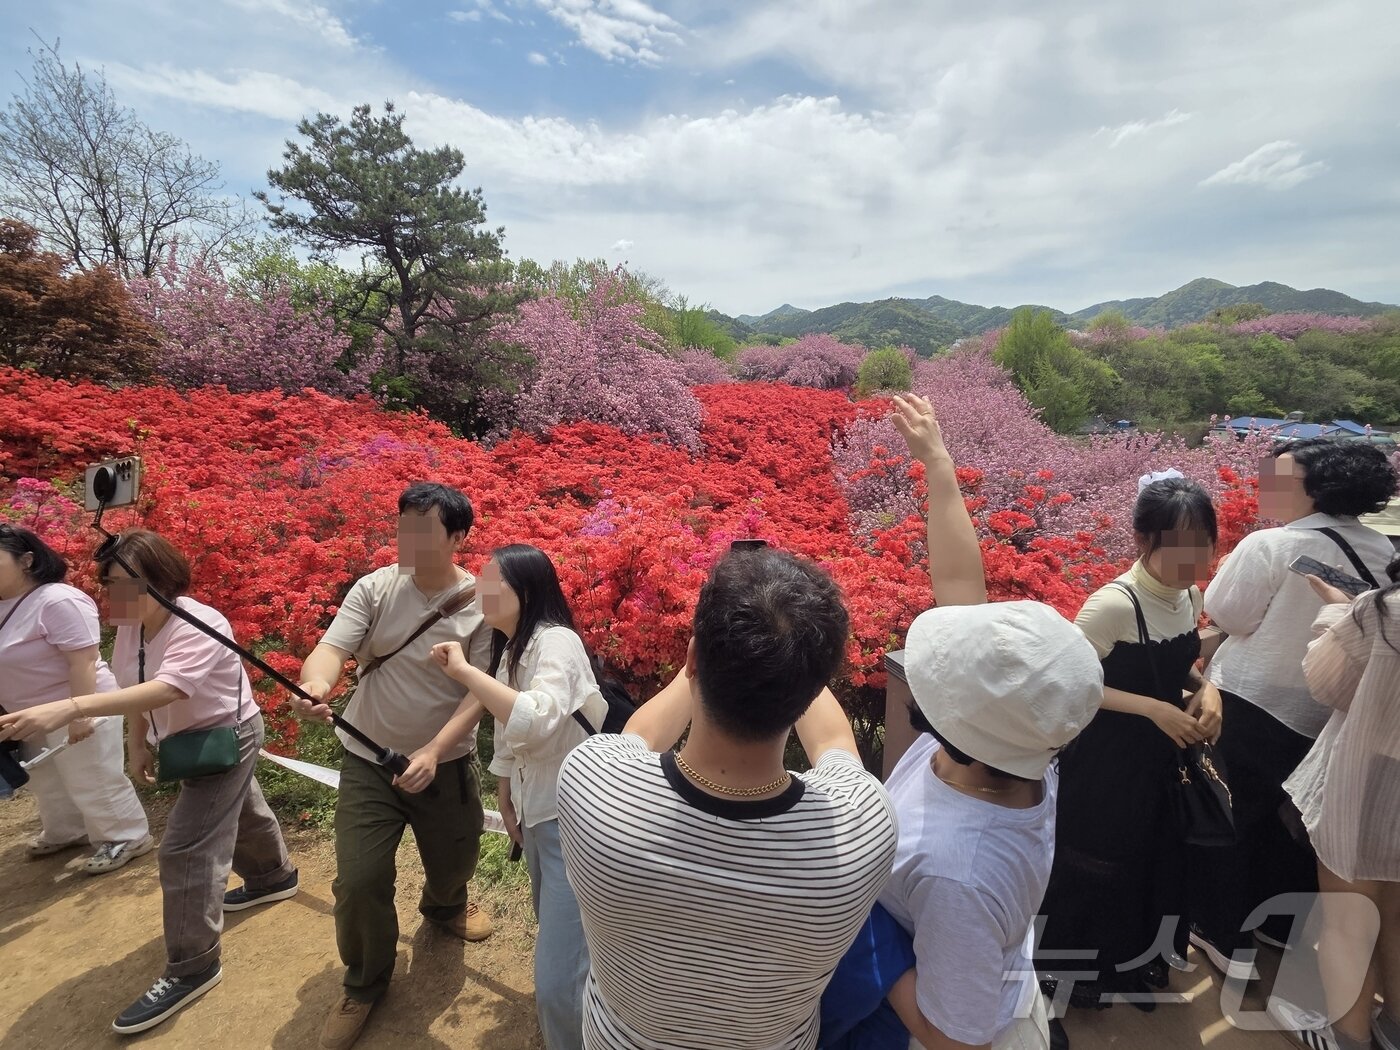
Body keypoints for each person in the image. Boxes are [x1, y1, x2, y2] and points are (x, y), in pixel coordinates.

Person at [820, 394, 1104, 1050]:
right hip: (984, 969)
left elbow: (956, 1037)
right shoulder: (1020, 746)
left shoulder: (960, 873)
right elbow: (960, 589)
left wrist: (874, 941)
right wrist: (937, 463)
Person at [555, 538, 898, 1048]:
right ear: (814, 685)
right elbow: (832, 741)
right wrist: (789, 650)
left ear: (692, 659)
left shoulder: (593, 782)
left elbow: (641, 736)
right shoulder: (862, 827)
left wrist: (715, 652)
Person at [0, 528, 296, 1035]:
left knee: (185, 848)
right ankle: (273, 877)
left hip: (226, 735)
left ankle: (192, 966)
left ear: (160, 578)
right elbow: (135, 684)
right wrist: (138, 742)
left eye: (123, 581)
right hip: (183, 736)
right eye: (108, 581)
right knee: (240, 806)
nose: (112, 592)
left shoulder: (200, 621)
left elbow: (167, 688)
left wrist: (69, 707)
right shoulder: (132, 621)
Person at [291, 482, 495, 1050]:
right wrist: (315, 683)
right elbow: (332, 648)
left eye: (422, 529)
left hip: (444, 763)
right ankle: (363, 983)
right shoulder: (376, 587)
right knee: (359, 881)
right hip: (368, 757)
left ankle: (446, 904)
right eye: (402, 525)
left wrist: (433, 752)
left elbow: (479, 692)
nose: (406, 538)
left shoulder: (482, 602)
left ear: (457, 537)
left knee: (456, 856)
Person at [1193, 439, 1397, 973]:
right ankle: (1280, 924)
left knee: (1232, 817)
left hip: (1253, 705)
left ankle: (1222, 934)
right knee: (1299, 822)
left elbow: (1226, 614)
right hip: (1332, 713)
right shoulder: (1382, 552)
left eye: (1280, 477)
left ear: (1316, 489)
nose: (1266, 485)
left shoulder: (1269, 546)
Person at [1037, 474, 1222, 1014]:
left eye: (1204, 544)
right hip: (1107, 760)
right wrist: (1153, 708)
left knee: (1151, 857)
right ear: (1144, 541)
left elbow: (1177, 666)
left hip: (1164, 758)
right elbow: (1072, 685)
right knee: (1096, 860)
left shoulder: (1190, 594)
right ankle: (1066, 974)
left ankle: (1128, 961)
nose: (1194, 558)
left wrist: (1208, 689)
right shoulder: (1112, 605)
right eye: (1179, 545)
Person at [431, 544, 605, 1050]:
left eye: (492, 581)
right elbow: (509, 733)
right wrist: (506, 792)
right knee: (564, 939)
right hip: (537, 815)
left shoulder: (557, 643)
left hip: (574, 824)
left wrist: (464, 671)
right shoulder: (513, 649)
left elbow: (534, 718)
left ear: (525, 591)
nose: (480, 589)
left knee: (559, 978)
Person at [1269, 567, 1400, 1050]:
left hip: (1364, 782)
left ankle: (1348, 1036)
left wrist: (1336, 612)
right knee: (1397, 913)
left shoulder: (1383, 611)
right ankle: (1393, 1028)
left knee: (1348, 921)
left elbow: (1327, 684)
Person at [0, 523, 150, 872]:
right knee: (47, 779)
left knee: (93, 778)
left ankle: (126, 836)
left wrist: (81, 715)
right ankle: (67, 830)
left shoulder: (57, 600)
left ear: (26, 560)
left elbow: (81, 661)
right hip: (29, 714)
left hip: (79, 705)